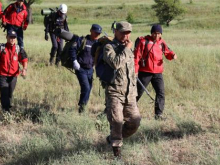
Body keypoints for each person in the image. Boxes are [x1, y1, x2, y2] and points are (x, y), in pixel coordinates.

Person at [103, 21, 141, 158]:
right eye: (123, 32)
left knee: (135, 122)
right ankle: (116, 153)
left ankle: (113, 138)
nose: (126, 35)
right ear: (116, 32)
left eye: (128, 32)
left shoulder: (128, 48)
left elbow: (131, 71)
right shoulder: (109, 47)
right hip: (115, 92)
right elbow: (115, 63)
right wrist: (126, 49)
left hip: (130, 93)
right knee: (117, 122)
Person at [134, 24, 177, 120]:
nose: (156, 36)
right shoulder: (143, 41)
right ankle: (128, 111)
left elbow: (167, 53)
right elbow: (137, 57)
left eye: (158, 33)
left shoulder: (161, 43)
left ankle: (159, 115)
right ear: (151, 33)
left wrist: (172, 55)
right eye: (155, 33)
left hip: (158, 72)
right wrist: (135, 71)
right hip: (145, 72)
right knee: (137, 93)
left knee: (161, 93)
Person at [0, 30, 28, 112]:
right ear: (7, 37)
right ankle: (6, 111)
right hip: (2, 75)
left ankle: (5, 108)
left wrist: (24, 69)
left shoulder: (18, 49)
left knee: (10, 94)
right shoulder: (1, 48)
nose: (12, 39)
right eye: (10, 37)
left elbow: (24, 60)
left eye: (14, 37)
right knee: (4, 93)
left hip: (13, 76)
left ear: (16, 38)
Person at [70, 24, 102, 113]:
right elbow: (72, 50)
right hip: (81, 69)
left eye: (98, 33)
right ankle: (82, 108)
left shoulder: (98, 43)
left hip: (90, 69)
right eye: (95, 33)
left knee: (89, 89)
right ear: (91, 31)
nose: (97, 35)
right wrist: (74, 61)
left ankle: (83, 105)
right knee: (86, 88)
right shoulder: (82, 40)